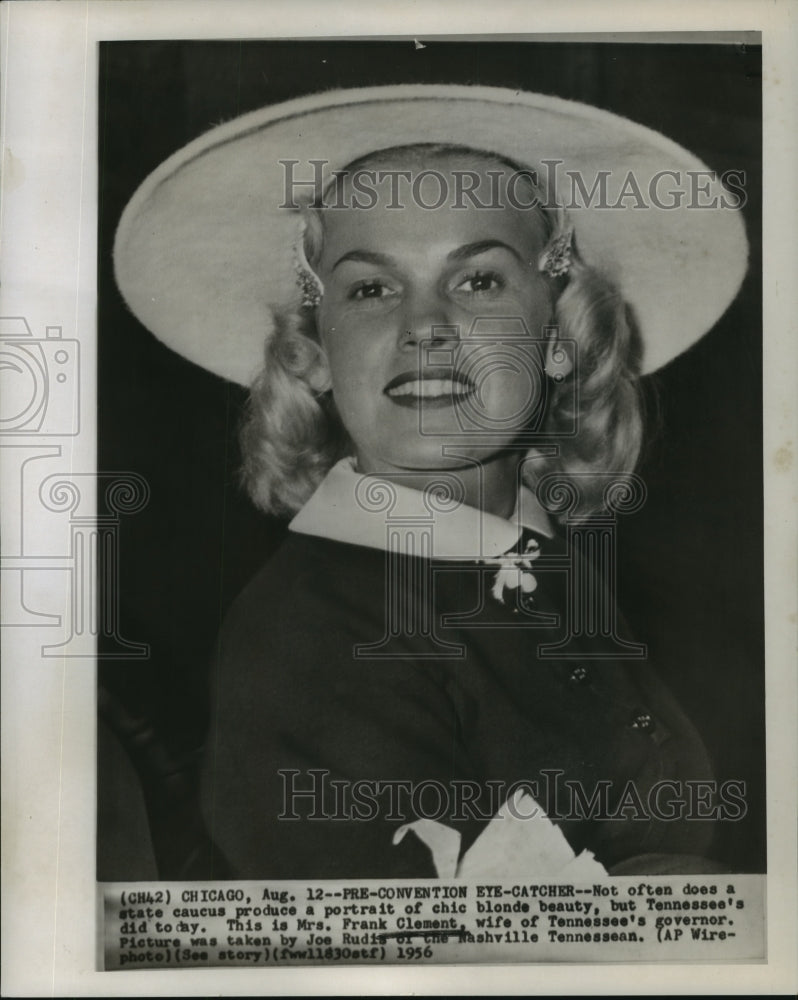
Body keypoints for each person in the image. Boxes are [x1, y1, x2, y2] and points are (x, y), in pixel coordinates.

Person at [114, 85, 748, 879]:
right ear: (313, 353)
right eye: (371, 289)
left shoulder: (543, 572)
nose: (424, 327)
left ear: (561, 335)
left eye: (478, 281)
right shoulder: (317, 636)